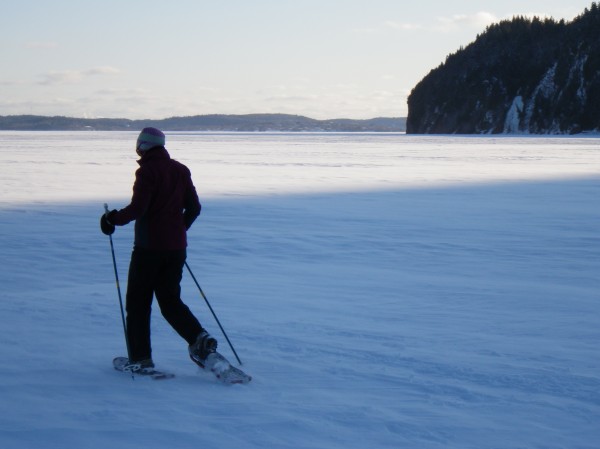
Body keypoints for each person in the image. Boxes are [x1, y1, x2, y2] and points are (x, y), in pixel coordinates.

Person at [100, 127, 217, 371]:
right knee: (170, 301)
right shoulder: (180, 169)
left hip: (148, 249)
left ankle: (141, 359)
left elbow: (138, 209)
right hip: (176, 250)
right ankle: (199, 339)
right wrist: (177, 231)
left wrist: (112, 219)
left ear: (142, 146)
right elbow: (194, 208)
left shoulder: (147, 171)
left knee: (138, 304)